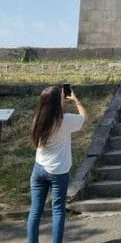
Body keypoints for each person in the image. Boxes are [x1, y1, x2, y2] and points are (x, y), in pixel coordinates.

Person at [27, 86, 86, 243]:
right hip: (58, 171)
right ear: (56, 101)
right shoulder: (64, 120)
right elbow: (83, 118)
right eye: (61, 96)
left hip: (38, 169)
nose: (63, 97)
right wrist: (76, 100)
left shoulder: (38, 119)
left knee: (35, 211)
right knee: (58, 210)